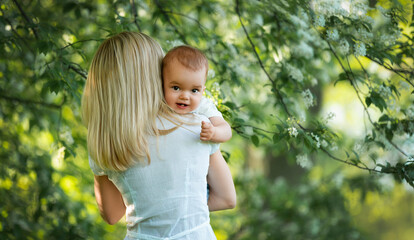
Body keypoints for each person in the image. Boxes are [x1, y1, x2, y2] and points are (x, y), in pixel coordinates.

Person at [81, 31, 236, 240]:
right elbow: (227, 199)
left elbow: (111, 215)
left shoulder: (104, 142)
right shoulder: (196, 125)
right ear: (154, 74)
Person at [162, 45, 232, 143]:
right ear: (162, 84)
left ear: (202, 91)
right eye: (176, 88)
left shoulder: (203, 105)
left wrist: (214, 132)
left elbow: (226, 130)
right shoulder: (159, 101)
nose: (185, 97)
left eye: (194, 90)